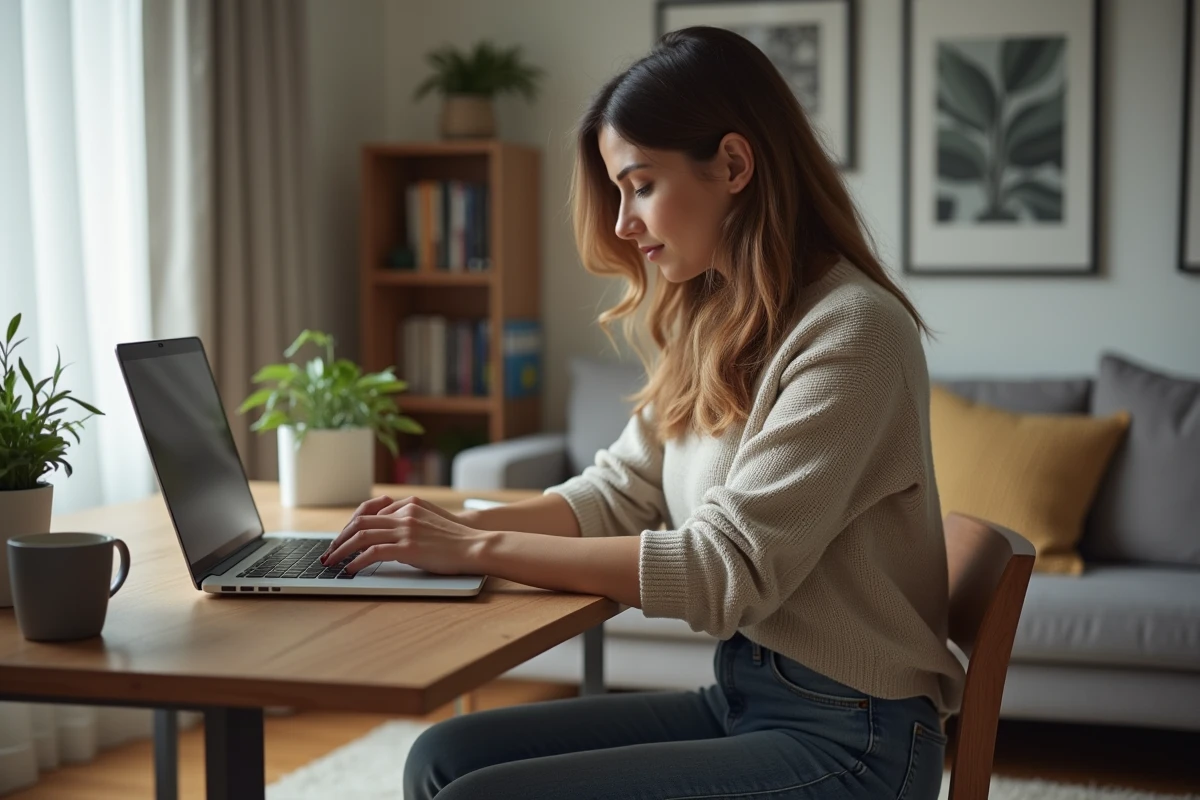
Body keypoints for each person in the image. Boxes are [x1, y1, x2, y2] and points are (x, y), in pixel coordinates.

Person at [320, 25, 966, 800]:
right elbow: (619, 494)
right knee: (445, 758)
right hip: (746, 698)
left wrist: (479, 546)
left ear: (733, 164)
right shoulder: (713, 318)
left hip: (854, 739)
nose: (624, 223)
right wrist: (439, 533)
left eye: (641, 184)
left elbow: (722, 572)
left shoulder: (852, 333)